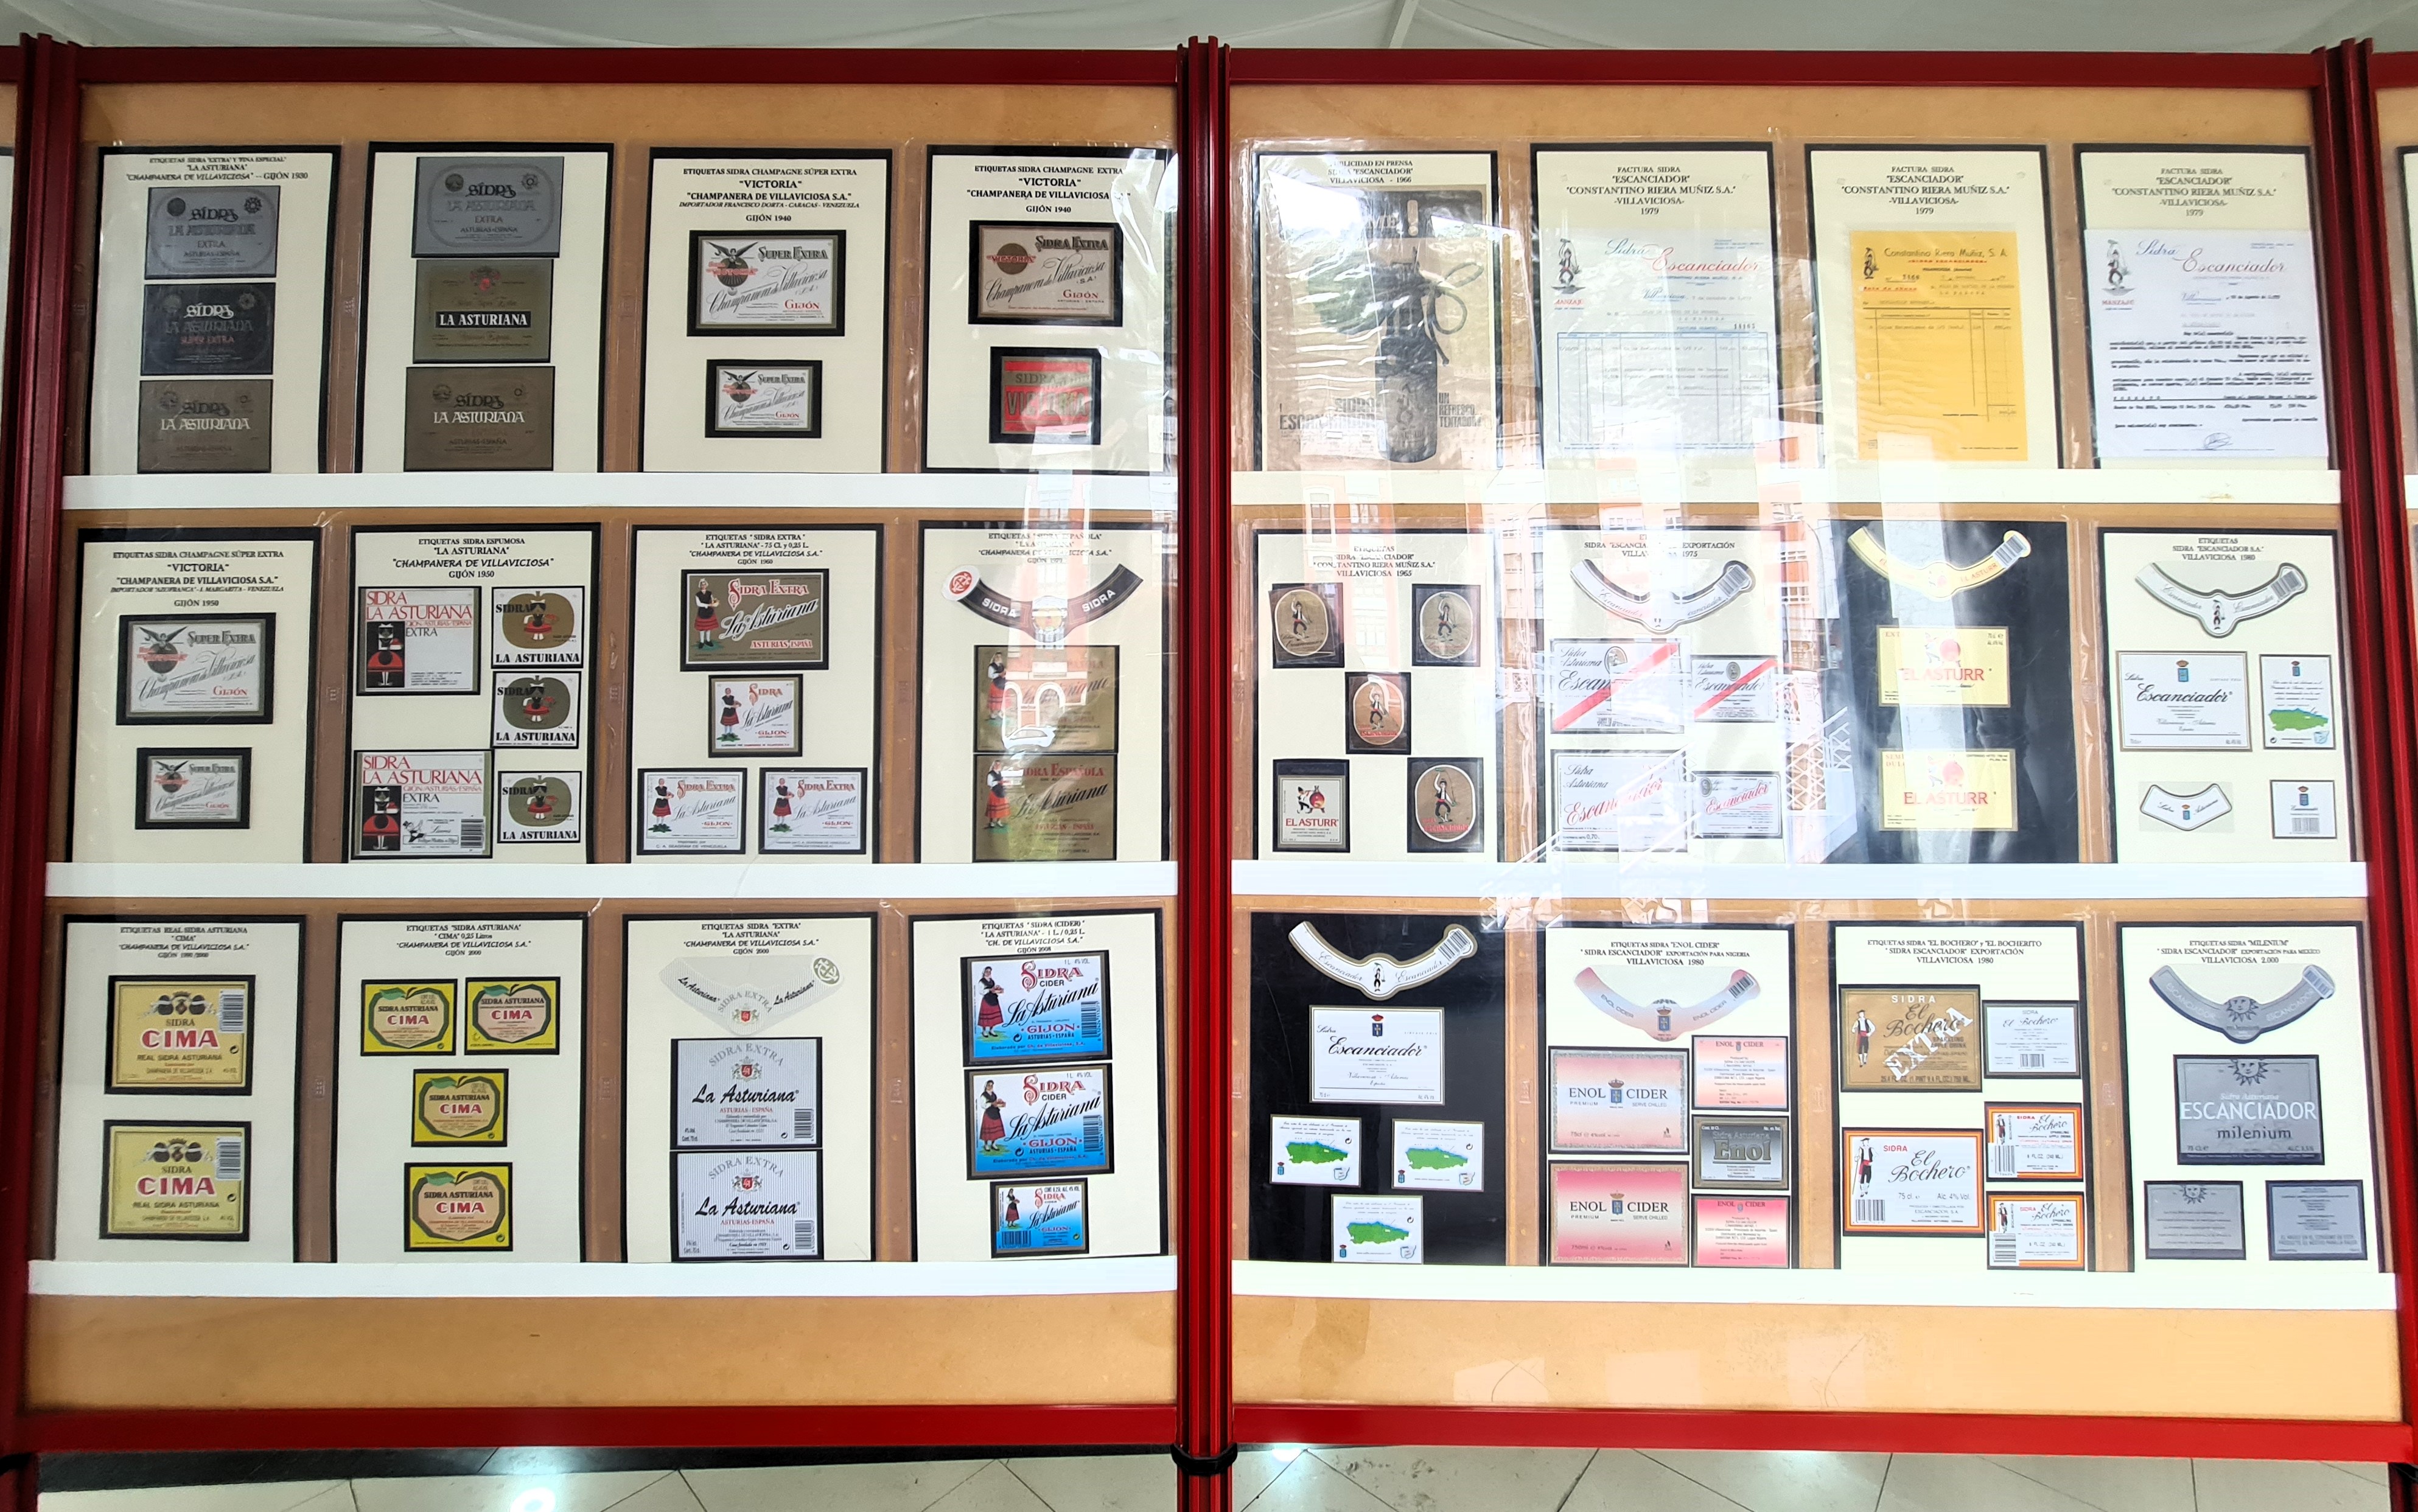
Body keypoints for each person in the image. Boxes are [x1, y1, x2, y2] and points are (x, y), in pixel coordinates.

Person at [977, 1079, 1007, 1151]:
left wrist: (999, 1102)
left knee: (996, 1131)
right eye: (989, 1085)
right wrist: (991, 1104)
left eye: (992, 1085)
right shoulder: (984, 1095)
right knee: (987, 1131)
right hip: (989, 1114)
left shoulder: (993, 1094)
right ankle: (986, 1145)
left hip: (995, 1113)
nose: (990, 1087)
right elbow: (983, 1105)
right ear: (986, 1086)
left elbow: (995, 1102)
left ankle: (993, 1144)